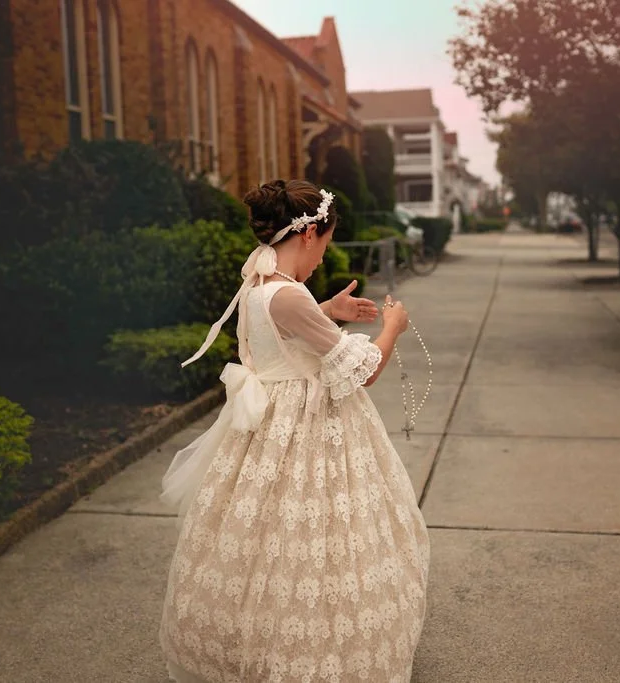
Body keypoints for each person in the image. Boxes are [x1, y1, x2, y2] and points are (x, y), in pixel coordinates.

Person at [159, 180, 430, 683]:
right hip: (304, 424)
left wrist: (326, 311)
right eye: (325, 245)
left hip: (266, 425)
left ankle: (239, 640)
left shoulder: (259, 284)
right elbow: (365, 368)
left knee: (261, 536)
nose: (324, 258)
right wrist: (393, 325)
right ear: (308, 234)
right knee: (316, 538)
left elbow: (277, 328)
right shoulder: (287, 292)